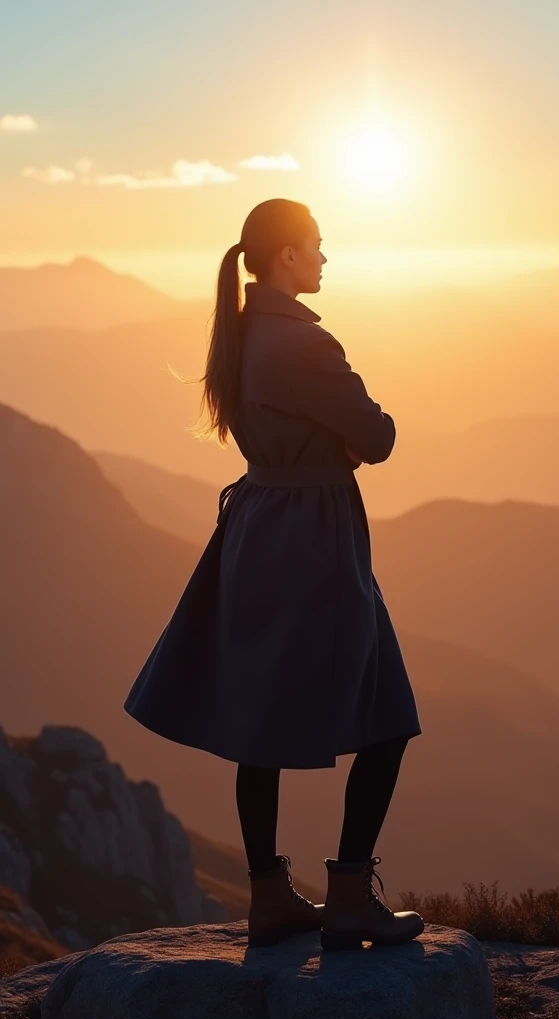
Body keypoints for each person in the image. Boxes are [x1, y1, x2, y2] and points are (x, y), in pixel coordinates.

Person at [123, 198, 424, 951]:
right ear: (286, 257)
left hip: (257, 528)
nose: (326, 258)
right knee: (387, 713)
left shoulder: (242, 332)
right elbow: (378, 437)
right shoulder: (303, 346)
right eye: (317, 246)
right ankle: (350, 893)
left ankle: (269, 898)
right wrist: (345, 441)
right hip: (315, 539)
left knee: (259, 718)